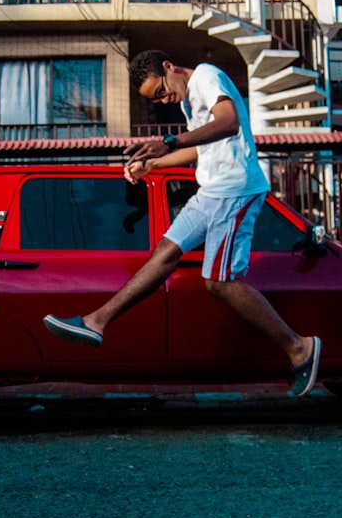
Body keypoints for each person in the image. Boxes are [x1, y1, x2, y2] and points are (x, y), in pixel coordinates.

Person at [43, 50, 322, 397]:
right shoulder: (189, 100)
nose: (163, 99)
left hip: (235, 191)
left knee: (220, 282)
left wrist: (168, 142)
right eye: (155, 99)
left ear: (168, 67)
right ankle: (95, 323)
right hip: (210, 192)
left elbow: (229, 122)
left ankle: (300, 348)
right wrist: (152, 166)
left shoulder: (206, 76)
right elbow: (202, 149)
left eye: (160, 91)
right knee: (164, 252)